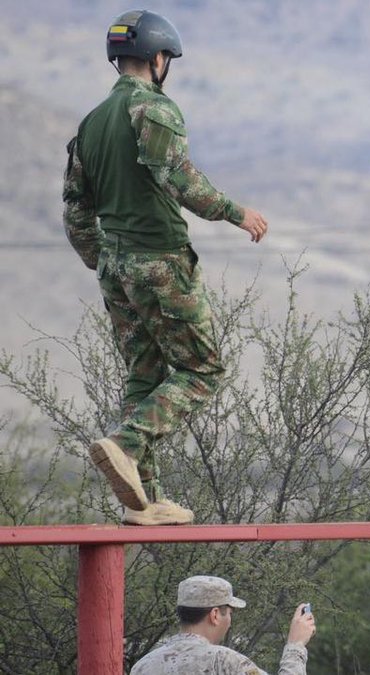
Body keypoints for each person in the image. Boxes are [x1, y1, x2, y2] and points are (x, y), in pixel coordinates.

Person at [62, 10, 269, 525]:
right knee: (203, 370)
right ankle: (127, 445)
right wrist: (235, 212)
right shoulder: (152, 109)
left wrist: (107, 261)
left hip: (116, 264)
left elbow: (74, 210)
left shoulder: (90, 123)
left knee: (145, 376)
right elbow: (177, 178)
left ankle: (146, 502)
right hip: (160, 258)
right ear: (158, 60)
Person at [131, 575, 315, 674]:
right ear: (215, 615)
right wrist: (295, 646)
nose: (230, 621)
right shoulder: (225, 661)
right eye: (230, 613)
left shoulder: (142, 666)